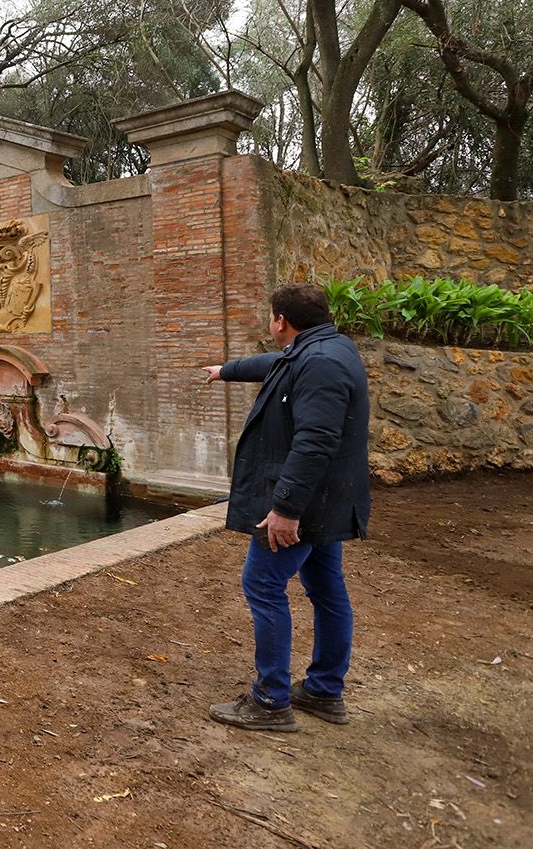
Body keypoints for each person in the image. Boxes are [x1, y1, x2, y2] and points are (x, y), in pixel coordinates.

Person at [200, 283, 370, 732]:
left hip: (306, 506)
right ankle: (323, 690)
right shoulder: (325, 349)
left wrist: (286, 509)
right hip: (328, 503)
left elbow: (315, 443)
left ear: (281, 321)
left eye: (271, 319)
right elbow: (274, 364)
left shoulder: (319, 364)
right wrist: (226, 370)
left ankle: (271, 700)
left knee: (262, 584)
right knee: (326, 589)